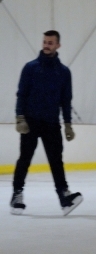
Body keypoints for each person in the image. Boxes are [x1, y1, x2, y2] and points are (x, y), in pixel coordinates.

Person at [11, 30, 83, 216]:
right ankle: (17, 195)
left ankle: (64, 196)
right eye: (44, 41)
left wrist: (67, 123)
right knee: (24, 159)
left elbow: (66, 100)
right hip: (31, 121)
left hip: (51, 123)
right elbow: (22, 93)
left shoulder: (64, 72)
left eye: (50, 42)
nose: (46, 45)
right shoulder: (31, 67)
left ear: (58, 45)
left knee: (56, 160)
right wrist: (20, 117)